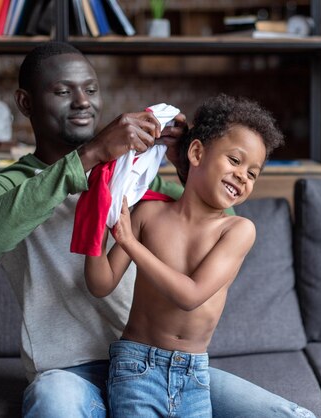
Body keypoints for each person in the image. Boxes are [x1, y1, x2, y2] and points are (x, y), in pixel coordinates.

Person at [0, 41, 315, 418]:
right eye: (64, 91)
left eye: (92, 89)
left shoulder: (134, 183)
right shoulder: (11, 186)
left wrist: (186, 167)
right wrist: (91, 155)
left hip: (160, 363)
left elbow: (219, 222)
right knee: (53, 403)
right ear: (25, 103)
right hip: (69, 375)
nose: (83, 101)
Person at [84, 94, 287, 418]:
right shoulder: (148, 213)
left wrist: (130, 243)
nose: (242, 176)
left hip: (193, 373)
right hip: (136, 367)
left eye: (252, 173)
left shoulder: (237, 230)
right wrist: (95, 219)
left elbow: (190, 295)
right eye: (235, 161)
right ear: (196, 152)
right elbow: (101, 283)